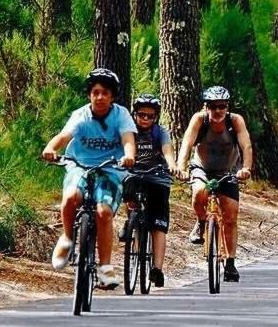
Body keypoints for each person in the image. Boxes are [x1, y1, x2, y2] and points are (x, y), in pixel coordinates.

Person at [42, 68, 136, 290]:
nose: (99, 97)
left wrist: (130, 155)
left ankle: (105, 268)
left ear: (112, 96)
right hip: (80, 165)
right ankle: (66, 239)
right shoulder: (81, 115)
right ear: (89, 95)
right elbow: (65, 136)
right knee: (71, 198)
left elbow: (127, 139)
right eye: (95, 92)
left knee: (103, 212)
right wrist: (50, 148)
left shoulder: (121, 114)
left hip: (110, 168)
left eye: (104, 92)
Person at [175, 86, 253, 283]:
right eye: (213, 106)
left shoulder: (235, 121)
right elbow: (186, 144)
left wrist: (246, 168)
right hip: (202, 168)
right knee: (199, 192)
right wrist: (181, 167)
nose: (217, 111)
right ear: (205, 107)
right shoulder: (199, 120)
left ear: (227, 107)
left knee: (230, 215)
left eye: (222, 106)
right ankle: (202, 222)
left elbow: (246, 145)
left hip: (227, 171)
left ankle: (230, 263)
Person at [121, 93, 177, 288]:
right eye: (141, 115)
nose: (145, 119)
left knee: (157, 224)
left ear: (156, 117)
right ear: (134, 114)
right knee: (127, 186)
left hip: (157, 176)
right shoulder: (128, 131)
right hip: (134, 173)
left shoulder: (160, 132)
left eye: (150, 116)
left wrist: (172, 165)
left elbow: (167, 149)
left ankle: (157, 269)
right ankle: (131, 222)